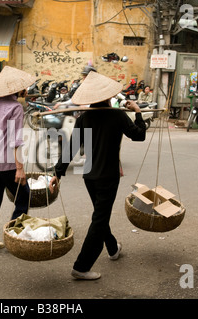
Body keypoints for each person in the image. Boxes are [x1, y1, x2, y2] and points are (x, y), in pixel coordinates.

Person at [48, 71, 146, 280]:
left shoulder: (85, 117)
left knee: (100, 215)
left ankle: (112, 249)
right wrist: (137, 112)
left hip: (90, 177)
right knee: (100, 218)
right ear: (108, 96)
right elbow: (139, 136)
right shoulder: (117, 115)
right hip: (107, 177)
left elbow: (72, 147)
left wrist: (58, 173)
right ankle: (81, 267)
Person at [0, 66, 36, 252]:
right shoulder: (15, 108)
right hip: (8, 165)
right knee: (24, 198)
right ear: (16, 89)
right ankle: (13, 236)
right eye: (24, 88)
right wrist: (20, 168)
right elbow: (16, 141)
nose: (26, 91)